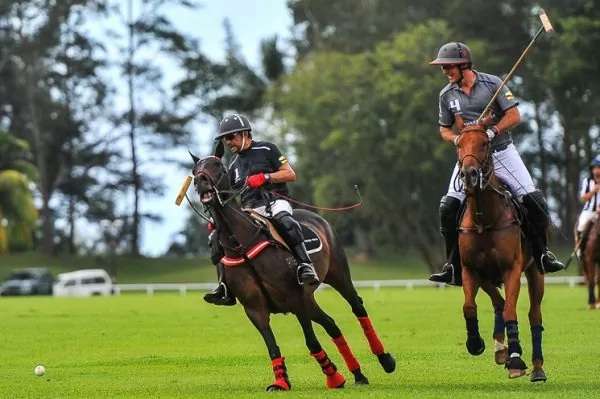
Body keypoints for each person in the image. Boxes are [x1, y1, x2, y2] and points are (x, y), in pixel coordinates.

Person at [427, 42, 565, 286]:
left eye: (448, 66)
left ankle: (543, 254)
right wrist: (457, 139)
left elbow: (514, 115)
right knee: (448, 207)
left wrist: (492, 132)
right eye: (443, 67)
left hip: (501, 152)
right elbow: (444, 129)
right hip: (469, 156)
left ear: (463, 65)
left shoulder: (493, 84)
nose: (445, 71)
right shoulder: (446, 95)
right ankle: (452, 265)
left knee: (534, 201)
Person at [203, 114, 319, 305]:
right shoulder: (233, 165)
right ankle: (224, 287)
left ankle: (305, 265)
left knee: (286, 222)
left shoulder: (267, 148)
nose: (228, 142)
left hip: (274, 202)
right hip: (249, 210)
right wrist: (218, 218)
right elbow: (229, 197)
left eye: (231, 137)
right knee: (220, 236)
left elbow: (290, 174)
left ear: (244, 134)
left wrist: (265, 178)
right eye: (225, 139)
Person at [574, 155, 600, 257]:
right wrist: (593, 191)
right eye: (595, 168)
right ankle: (579, 249)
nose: (596, 171)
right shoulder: (587, 181)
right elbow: (582, 198)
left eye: (598, 168)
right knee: (581, 225)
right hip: (589, 211)